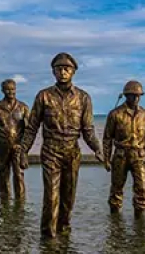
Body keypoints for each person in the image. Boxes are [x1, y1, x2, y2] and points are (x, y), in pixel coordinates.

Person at [19, 52, 104, 237]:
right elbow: (32, 127)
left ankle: (63, 230)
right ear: (53, 72)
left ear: (73, 72)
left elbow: (88, 129)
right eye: (59, 69)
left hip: (72, 152)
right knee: (51, 197)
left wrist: (97, 149)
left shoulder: (83, 98)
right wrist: (23, 151)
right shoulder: (43, 96)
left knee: (68, 197)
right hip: (51, 151)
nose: (63, 72)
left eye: (67, 69)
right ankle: (48, 236)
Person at [102, 80, 145, 217]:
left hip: (139, 156)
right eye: (133, 95)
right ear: (126, 95)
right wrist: (106, 159)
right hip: (120, 155)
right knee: (116, 190)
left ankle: (140, 226)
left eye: (138, 95)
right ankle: (115, 223)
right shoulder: (115, 114)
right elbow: (107, 139)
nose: (136, 98)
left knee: (142, 190)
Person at [0, 79, 30, 200]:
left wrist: (24, 148)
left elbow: (29, 130)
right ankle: (4, 203)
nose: (10, 92)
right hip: (2, 146)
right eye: (7, 89)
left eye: (12, 89)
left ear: (16, 89)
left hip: (18, 146)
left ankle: (20, 203)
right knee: (3, 175)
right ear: (2, 90)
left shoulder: (23, 107)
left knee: (19, 175)